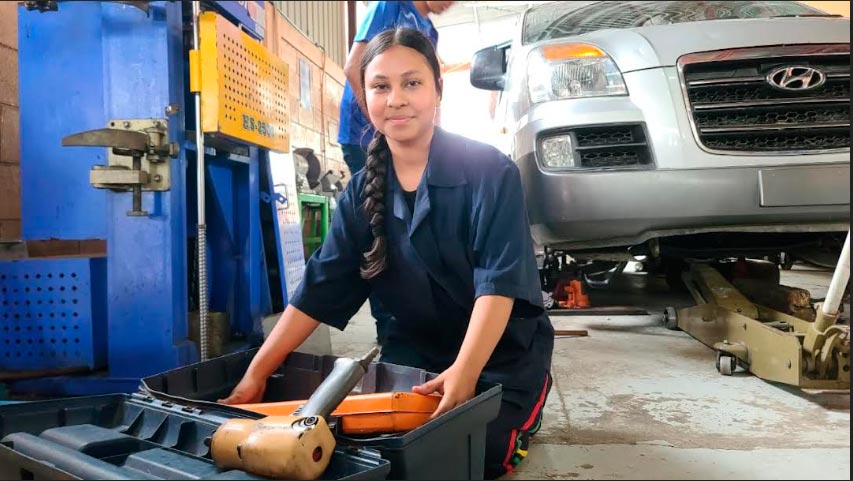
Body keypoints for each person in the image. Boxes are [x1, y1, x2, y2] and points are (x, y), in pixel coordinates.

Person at [221, 28, 554, 479]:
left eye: (412, 83)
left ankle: (530, 398)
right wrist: (258, 372)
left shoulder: (490, 172)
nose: (396, 98)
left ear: (439, 89)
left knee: (475, 452)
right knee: (372, 448)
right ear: (365, 98)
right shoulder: (361, 191)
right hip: (413, 355)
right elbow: (320, 289)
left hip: (499, 357)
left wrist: (466, 371)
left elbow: (499, 282)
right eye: (381, 86)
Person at [339, 0, 456, 346]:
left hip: (403, 136)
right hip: (367, 137)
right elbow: (353, 67)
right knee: (385, 233)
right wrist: (386, 130)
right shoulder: (390, 5)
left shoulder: (429, 29)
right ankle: (394, 335)